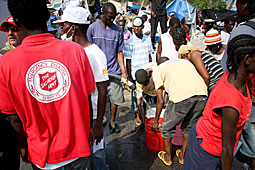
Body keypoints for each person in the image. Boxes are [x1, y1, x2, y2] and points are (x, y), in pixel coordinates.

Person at [0, 0, 95, 169]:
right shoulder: (75, 51)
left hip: (42, 155)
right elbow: (87, 97)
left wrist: (23, 146)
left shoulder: (6, 63)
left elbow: (13, 118)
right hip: (79, 151)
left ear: (18, 23)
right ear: (46, 17)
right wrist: (88, 128)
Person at [183, 34, 255, 170]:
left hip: (221, 147)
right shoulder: (231, 101)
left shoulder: (237, 78)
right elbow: (227, 148)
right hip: (206, 150)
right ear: (246, 60)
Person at [60, 6, 109, 170]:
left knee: (97, 157)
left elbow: (102, 92)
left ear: (74, 28)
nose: (61, 29)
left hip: (93, 116)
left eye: (64, 25)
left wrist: (98, 124)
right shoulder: (66, 52)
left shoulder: (95, 54)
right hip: (76, 117)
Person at [150, 57, 207, 166]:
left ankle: (168, 158)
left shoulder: (158, 69)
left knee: (166, 128)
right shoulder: (184, 62)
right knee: (189, 128)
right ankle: (182, 156)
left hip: (181, 97)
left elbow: (160, 100)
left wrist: (156, 121)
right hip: (202, 95)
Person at [221, 0, 255, 168]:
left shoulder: (243, 30)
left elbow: (225, 67)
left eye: (239, 4)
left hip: (247, 99)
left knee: (237, 146)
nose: (236, 9)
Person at [87, 2, 127, 133]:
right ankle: (99, 119)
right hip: (96, 72)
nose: (111, 19)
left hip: (113, 70)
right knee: (97, 98)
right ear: (102, 14)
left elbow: (119, 52)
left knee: (114, 99)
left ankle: (112, 121)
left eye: (113, 17)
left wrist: (123, 72)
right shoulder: (92, 29)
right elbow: (87, 50)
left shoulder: (118, 31)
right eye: (109, 16)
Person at [124, 17, 153, 128]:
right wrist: (129, 76)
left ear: (142, 27)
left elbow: (150, 55)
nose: (136, 29)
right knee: (136, 96)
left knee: (147, 94)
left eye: (138, 26)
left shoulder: (147, 39)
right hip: (135, 73)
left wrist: (151, 69)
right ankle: (137, 115)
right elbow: (128, 60)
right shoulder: (130, 43)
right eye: (134, 27)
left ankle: (145, 114)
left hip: (146, 72)